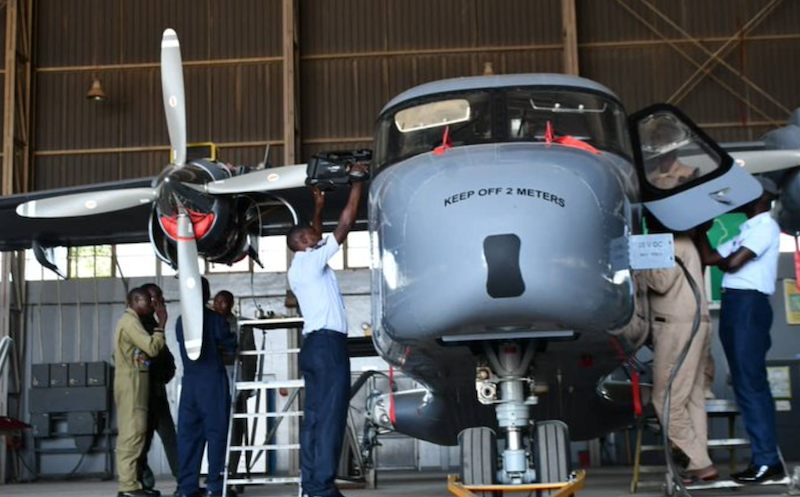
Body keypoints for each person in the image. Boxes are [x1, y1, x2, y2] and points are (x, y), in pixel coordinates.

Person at [694, 176, 783, 483]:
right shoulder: (746, 229)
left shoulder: (765, 227)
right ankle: (765, 459)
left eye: (748, 196)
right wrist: (698, 229)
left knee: (750, 383)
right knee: (746, 382)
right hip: (736, 304)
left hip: (749, 305)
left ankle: (768, 461)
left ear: (761, 199)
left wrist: (724, 256)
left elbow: (732, 264)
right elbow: (710, 258)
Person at [287, 171, 364, 497]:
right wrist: (358, 184)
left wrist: (318, 206)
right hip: (329, 346)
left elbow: (314, 233)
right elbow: (343, 227)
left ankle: (311, 485)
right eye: (311, 236)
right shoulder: (311, 260)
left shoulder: (301, 266)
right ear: (304, 243)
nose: (317, 237)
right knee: (331, 418)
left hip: (314, 346)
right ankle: (323, 489)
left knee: (316, 418)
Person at [644, 233, 716, 483]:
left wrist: (637, 264)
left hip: (677, 326)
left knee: (665, 400)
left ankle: (699, 462)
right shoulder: (688, 243)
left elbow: (661, 282)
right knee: (692, 399)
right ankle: (692, 465)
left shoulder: (670, 244)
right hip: (697, 322)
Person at [175, 278, 237, 497]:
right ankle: (215, 486)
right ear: (207, 294)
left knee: (188, 436)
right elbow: (230, 345)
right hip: (212, 381)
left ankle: (186, 487)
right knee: (216, 433)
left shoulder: (181, 321)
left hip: (190, 383)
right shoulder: (215, 319)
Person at [114, 287, 167, 497]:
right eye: (148, 302)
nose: (153, 305)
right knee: (132, 434)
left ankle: (134, 484)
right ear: (136, 301)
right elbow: (152, 348)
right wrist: (162, 322)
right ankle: (127, 487)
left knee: (137, 434)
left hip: (136, 382)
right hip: (132, 384)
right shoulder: (130, 322)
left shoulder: (133, 320)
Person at [137, 283, 179, 492]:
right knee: (140, 441)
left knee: (170, 437)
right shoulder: (135, 324)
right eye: (153, 299)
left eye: (160, 298)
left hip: (156, 391)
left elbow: (164, 357)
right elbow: (149, 352)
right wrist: (162, 322)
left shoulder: (151, 323)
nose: (158, 303)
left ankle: (184, 480)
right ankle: (141, 480)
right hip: (141, 394)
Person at [213, 290, 256, 483]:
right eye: (216, 302)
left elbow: (250, 356)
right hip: (214, 376)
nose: (219, 305)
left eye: (223, 302)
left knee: (237, 425)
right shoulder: (209, 323)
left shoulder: (242, 325)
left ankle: (233, 469)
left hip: (235, 373)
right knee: (215, 425)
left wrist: (247, 384)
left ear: (231, 304)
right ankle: (217, 470)